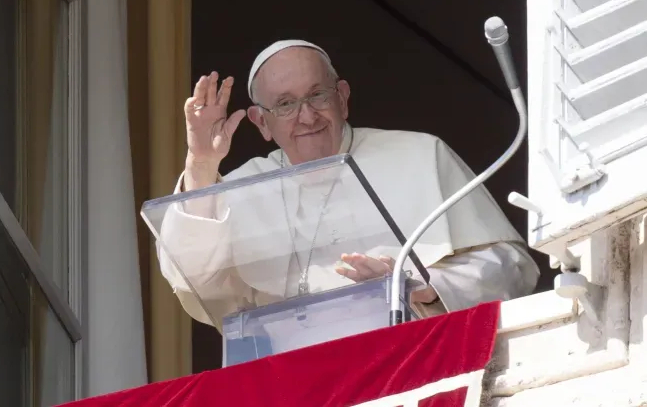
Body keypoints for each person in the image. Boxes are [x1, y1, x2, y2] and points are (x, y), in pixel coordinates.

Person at [156, 40, 540, 332]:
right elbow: (192, 280)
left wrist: (419, 287)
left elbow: (513, 270)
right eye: (285, 105)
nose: (306, 117)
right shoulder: (237, 189)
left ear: (342, 97)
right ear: (261, 123)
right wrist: (202, 164)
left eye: (317, 96)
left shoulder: (420, 154)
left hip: (408, 365)